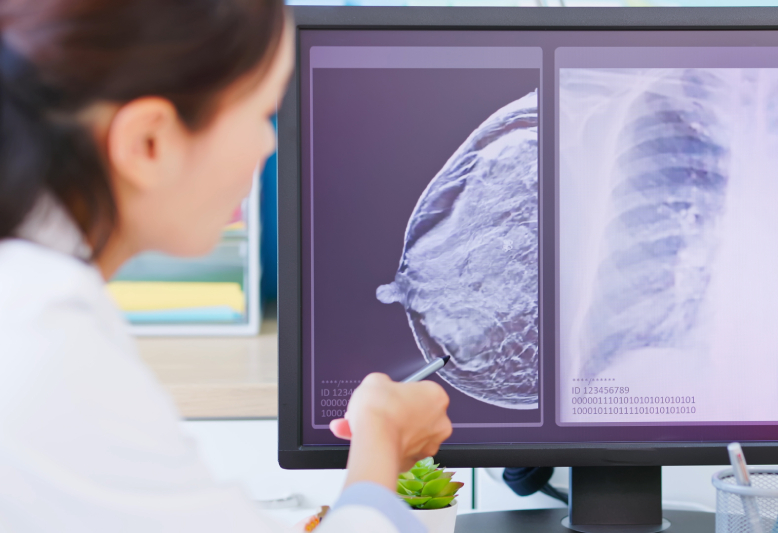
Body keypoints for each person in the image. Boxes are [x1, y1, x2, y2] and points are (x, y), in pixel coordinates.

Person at [0, 1, 453, 531]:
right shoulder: (49, 355)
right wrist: (382, 442)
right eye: (263, 114)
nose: (270, 145)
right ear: (149, 142)